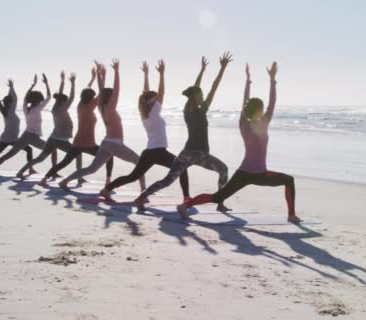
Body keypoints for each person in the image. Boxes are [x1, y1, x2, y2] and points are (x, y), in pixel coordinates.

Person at [177, 62, 300, 224]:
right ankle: (185, 205)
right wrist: (258, 82)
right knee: (217, 197)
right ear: (258, 110)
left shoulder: (254, 123)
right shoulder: (251, 124)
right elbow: (263, 102)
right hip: (249, 173)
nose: (264, 110)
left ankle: (291, 215)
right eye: (261, 108)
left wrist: (262, 80)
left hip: (254, 173)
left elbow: (268, 103)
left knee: (288, 180)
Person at [133, 53, 233, 212]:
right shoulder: (195, 109)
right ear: (195, 96)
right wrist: (222, 68)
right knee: (223, 170)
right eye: (200, 94)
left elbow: (202, 87)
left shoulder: (192, 109)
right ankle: (220, 203)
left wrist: (204, 70)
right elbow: (209, 87)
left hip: (186, 153)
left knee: (167, 180)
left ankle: (141, 197)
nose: (202, 96)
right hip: (199, 154)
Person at [98, 60, 189, 202]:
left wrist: (146, 74)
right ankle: (186, 198)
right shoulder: (153, 113)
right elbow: (161, 92)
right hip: (158, 152)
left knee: (133, 176)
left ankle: (107, 189)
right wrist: (162, 74)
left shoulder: (146, 113)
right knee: (182, 167)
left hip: (149, 152)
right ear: (151, 102)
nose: (158, 98)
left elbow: (146, 93)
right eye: (155, 98)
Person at [57, 60, 145, 192]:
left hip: (106, 143)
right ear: (111, 97)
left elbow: (101, 90)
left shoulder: (100, 107)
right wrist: (116, 72)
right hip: (115, 144)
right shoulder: (110, 108)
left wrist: (100, 74)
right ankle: (143, 190)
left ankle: (65, 181)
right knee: (140, 162)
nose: (115, 96)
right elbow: (115, 90)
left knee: (92, 169)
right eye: (113, 95)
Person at [39, 67, 113, 187]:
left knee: (64, 163)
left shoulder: (80, 105)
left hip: (77, 143)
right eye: (93, 96)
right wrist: (101, 76)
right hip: (89, 144)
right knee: (109, 156)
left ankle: (44, 179)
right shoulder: (90, 107)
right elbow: (101, 91)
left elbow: (89, 91)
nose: (95, 98)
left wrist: (93, 78)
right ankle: (108, 181)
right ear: (91, 98)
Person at [15, 71, 83, 181]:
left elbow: (61, 95)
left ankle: (20, 172)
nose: (68, 102)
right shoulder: (63, 108)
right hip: (61, 140)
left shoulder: (56, 106)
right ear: (63, 101)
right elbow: (72, 97)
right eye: (66, 101)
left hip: (53, 138)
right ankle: (79, 177)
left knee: (40, 158)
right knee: (78, 154)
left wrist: (62, 81)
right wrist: (73, 84)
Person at [0, 74, 55, 174]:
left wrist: (32, 85)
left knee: (10, 154)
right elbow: (49, 97)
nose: (41, 101)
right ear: (39, 100)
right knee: (53, 150)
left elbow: (25, 98)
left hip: (25, 135)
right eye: (40, 100)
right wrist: (46, 84)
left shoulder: (25, 108)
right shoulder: (37, 109)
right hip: (33, 137)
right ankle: (53, 171)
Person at [0, 80, 35, 173]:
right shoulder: (10, 111)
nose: (13, 103)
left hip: (8, 138)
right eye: (11, 102)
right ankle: (30, 169)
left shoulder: (6, 111)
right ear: (9, 103)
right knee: (28, 149)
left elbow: (11, 98)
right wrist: (12, 87)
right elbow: (15, 99)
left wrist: (10, 88)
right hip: (11, 139)